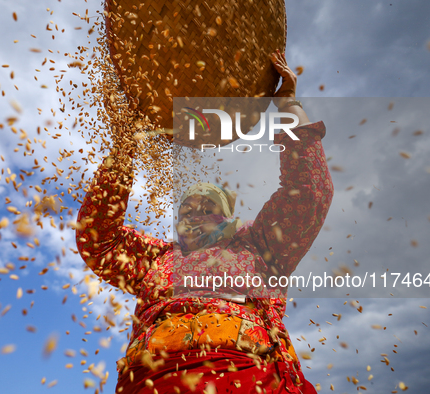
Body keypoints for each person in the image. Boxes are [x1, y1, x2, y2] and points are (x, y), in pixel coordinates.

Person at [76, 49, 333, 393]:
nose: (194, 213)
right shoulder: (158, 257)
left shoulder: (260, 245)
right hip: (151, 380)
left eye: (207, 206)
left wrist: (288, 105)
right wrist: (125, 146)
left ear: (228, 217)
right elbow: (98, 239)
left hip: (245, 375)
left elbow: (310, 191)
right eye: (187, 209)